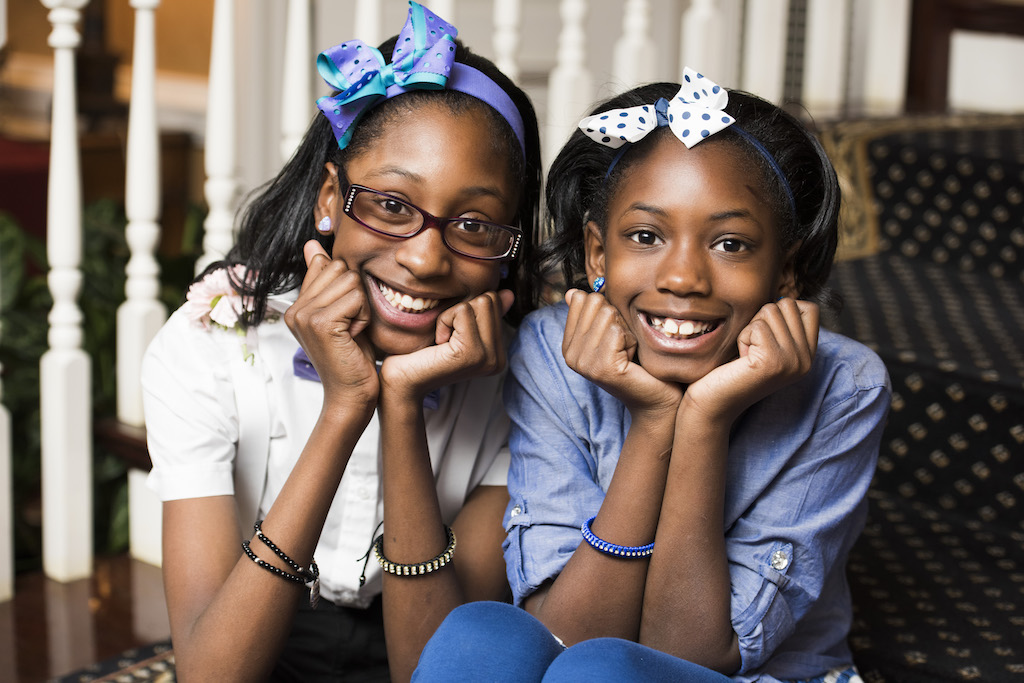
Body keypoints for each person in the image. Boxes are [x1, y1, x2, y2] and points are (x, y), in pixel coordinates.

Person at [414, 71, 890, 682]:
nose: (683, 278)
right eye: (645, 236)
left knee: (604, 672)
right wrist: (655, 420)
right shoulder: (552, 350)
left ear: (785, 272)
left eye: (731, 244)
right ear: (597, 253)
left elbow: (688, 652)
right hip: (583, 663)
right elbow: (562, 634)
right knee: (481, 633)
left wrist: (703, 420)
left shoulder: (844, 387)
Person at [141, 3, 542, 681]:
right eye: (392, 205)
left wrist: (401, 402)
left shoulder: (524, 381)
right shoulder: (212, 345)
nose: (424, 259)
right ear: (331, 198)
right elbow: (211, 673)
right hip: (255, 629)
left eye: (474, 224)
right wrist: (346, 405)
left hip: (422, 634)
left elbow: (437, 670)